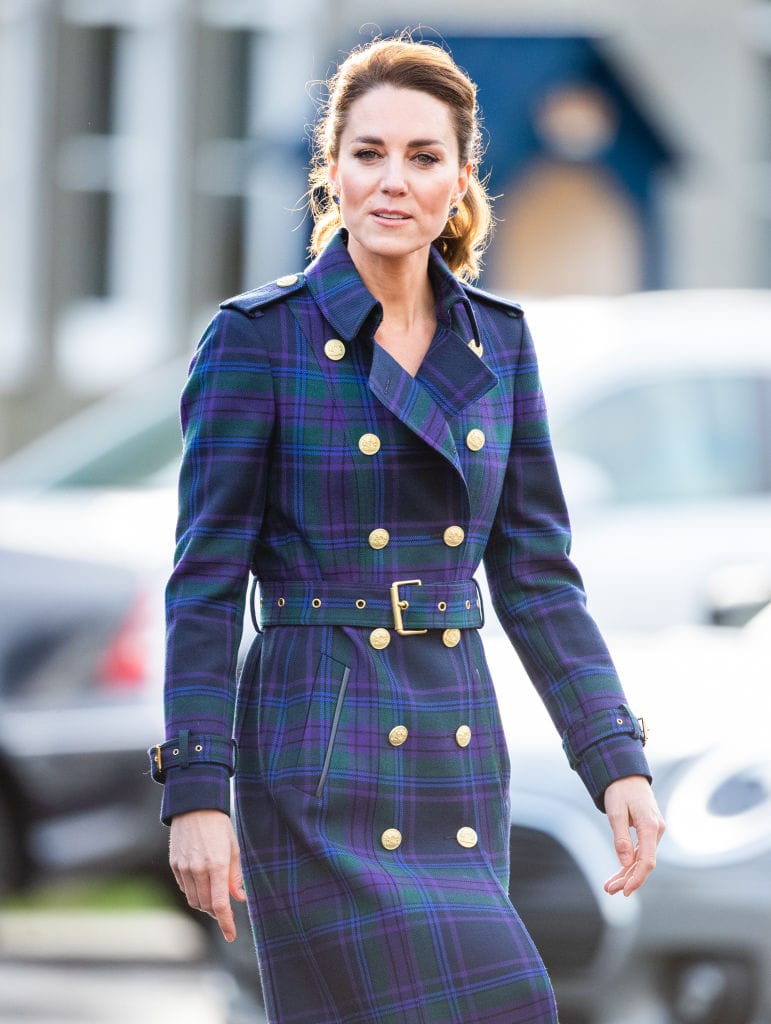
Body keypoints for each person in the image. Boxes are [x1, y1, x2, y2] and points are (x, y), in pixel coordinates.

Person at [149, 32, 665, 1024]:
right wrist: (197, 789)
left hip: (453, 745)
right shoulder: (260, 339)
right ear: (331, 170)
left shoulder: (499, 341)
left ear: (460, 178)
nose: (393, 180)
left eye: (423, 157)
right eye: (369, 152)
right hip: (317, 744)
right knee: (502, 1001)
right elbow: (204, 583)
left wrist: (615, 758)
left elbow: (537, 576)